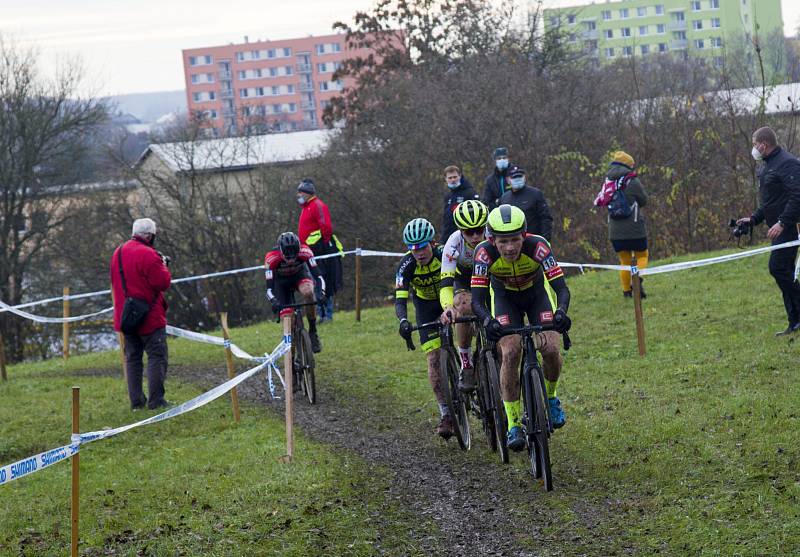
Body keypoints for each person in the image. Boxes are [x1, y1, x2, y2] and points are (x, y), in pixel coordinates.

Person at [470, 205, 572, 451]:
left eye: (515, 240)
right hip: (505, 299)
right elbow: (477, 300)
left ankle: (550, 397)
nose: (510, 247)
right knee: (511, 351)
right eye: (503, 241)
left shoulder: (538, 246)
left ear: (524, 235)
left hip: (537, 295)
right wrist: (487, 321)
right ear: (491, 239)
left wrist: (560, 313)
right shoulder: (483, 254)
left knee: (550, 348)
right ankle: (514, 423)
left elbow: (561, 289)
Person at [736, 126, 800, 335]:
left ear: (764, 145)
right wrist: (753, 219)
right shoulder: (766, 166)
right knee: (785, 272)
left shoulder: (787, 163)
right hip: (777, 230)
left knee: (778, 268)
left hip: (789, 228)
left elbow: (797, 197)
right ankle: (794, 321)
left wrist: (782, 222)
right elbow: (769, 202)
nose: (754, 149)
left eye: (755, 145)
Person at [395, 218, 454, 439]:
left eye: (422, 247)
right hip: (425, 307)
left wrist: (451, 306)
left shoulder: (444, 255)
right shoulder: (405, 266)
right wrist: (403, 321)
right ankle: (446, 413)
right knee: (432, 359)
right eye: (413, 248)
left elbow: (460, 281)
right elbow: (400, 300)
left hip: (449, 299)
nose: (418, 252)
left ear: (432, 243)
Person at [110, 218, 172, 410]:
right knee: (156, 356)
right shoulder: (149, 254)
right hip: (149, 317)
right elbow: (163, 283)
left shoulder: (117, 253)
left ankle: (136, 401)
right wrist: (163, 265)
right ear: (150, 235)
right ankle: (156, 400)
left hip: (126, 317)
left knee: (133, 359)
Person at [439, 200, 489, 392]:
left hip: (489, 275)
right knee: (463, 307)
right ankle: (466, 362)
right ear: (461, 231)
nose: (476, 236)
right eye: (469, 232)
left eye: (479, 230)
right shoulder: (453, 244)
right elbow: (445, 284)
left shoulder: (493, 235)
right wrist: (448, 307)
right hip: (463, 279)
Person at [265, 231, 325, 352]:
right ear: (281, 251)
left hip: (299, 276)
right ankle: (291, 361)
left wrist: (321, 293)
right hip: (281, 283)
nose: (291, 260)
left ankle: (313, 331)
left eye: (294, 256)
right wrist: (273, 300)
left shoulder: (306, 252)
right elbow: (269, 289)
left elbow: (318, 277)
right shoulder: (271, 259)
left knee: (308, 292)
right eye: (287, 257)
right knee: (288, 322)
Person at [604, 151, 649, 299]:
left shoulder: (608, 182)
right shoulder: (632, 181)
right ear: (628, 165)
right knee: (642, 255)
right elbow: (643, 200)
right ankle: (636, 280)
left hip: (615, 232)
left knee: (624, 261)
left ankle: (626, 291)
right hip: (635, 229)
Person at [296, 179, 342, 323]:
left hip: (320, 251)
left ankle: (327, 315)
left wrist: (323, 244)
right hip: (309, 252)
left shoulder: (317, 205)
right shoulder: (306, 207)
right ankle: (320, 314)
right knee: (315, 283)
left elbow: (326, 227)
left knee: (324, 281)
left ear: (308, 193)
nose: (298, 195)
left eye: (301, 192)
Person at [498, 166, 554, 240]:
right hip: (512, 242)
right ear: (508, 180)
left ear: (524, 177)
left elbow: (545, 218)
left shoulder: (535, 194)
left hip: (533, 240)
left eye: (520, 176)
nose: (517, 179)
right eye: (514, 177)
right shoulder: (504, 198)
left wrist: (546, 240)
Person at [440, 165, 479, 243]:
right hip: (449, 237)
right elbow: (446, 221)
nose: (453, 180)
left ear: (460, 176)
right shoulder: (448, 196)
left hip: (466, 236)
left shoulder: (469, 193)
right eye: (450, 178)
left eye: (455, 177)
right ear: (446, 179)